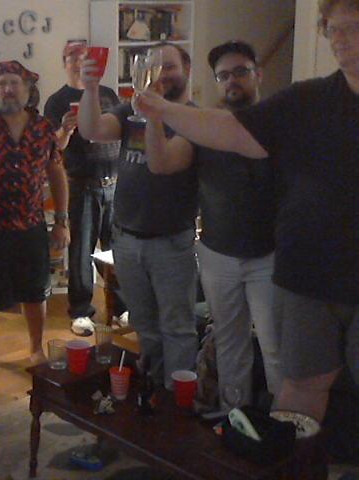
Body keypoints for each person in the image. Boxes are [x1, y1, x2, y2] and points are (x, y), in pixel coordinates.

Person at [136, 0, 359, 424]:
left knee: (292, 362)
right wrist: (160, 109)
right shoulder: (305, 101)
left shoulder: (287, 107)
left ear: (258, 74)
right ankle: (264, 439)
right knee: (296, 380)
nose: (340, 38)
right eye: (332, 29)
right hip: (304, 277)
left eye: (353, 26)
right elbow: (229, 133)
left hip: (281, 261)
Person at [143, 40, 281, 408]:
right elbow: (160, 163)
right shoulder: (204, 128)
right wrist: (154, 117)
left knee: (276, 349)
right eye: (223, 75)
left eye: (240, 72)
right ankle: (233, 419)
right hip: (218, 256)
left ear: (258, 74)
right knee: (230, 344)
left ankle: (286, 427)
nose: (231, 80)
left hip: (270, 258)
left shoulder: (279, 124)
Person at [78, 43, 198, 389]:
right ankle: (153, 392)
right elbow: (92, 130)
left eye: (169, 66)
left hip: (171, 242)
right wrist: (90, 88)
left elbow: (163, 164)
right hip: (126, 240)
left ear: (187, 70)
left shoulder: (192, 119)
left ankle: (176, 402)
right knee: (145, 326)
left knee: (177, 328)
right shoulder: (131, 112)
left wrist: (156, 114)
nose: (161, 74)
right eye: (153, 66)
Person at [0, 60, 70, 373]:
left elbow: (56, 171)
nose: (7, 90)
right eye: (1, 84)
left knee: (35, 291)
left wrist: (61, 221)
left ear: (27, 89)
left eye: (14, 83)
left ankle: (35, 348)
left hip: (30, 223)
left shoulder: (43, 127)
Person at [44, 41, 127, 336]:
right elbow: (53, 148)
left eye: (85, 57)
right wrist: (65, 129)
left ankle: (121, 308)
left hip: (115, 182)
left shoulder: (108, 94)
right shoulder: (57, 101)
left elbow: (122, 130)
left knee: (118, 250)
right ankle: (80, 312)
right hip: (81, 184)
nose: (80, 62)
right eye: (73, 57)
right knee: (81, 251)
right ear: (64, 62)